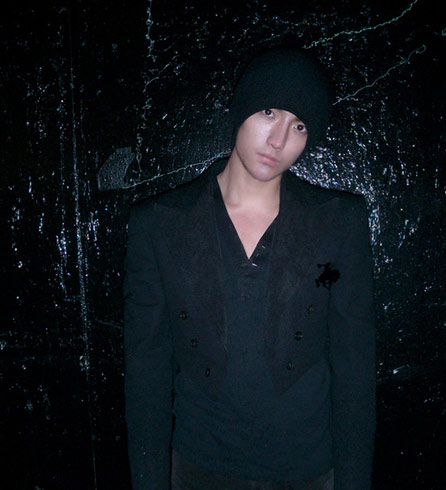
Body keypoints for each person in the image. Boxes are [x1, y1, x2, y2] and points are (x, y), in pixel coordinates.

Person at [123, 46, 376, 490]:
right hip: (199, 470)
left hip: (308, 472)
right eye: (269, 112)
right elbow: (147, 371)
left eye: (299, 126)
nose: (279, 140)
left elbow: (355, 366)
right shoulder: (160, 224)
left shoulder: (338, 223)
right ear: (241, 109)